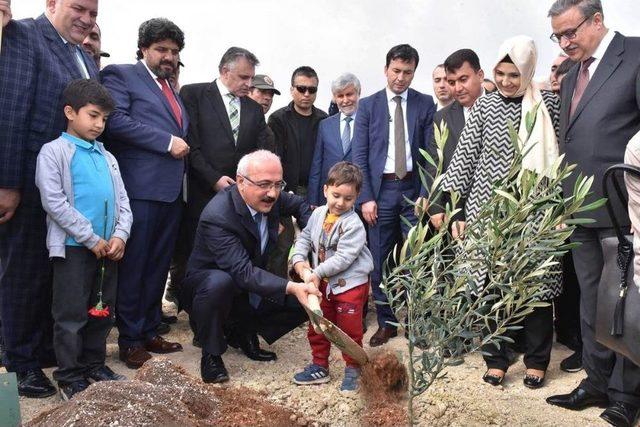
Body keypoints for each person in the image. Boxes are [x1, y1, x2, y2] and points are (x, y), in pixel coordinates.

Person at [441, 35, 562, 389]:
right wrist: (451, 207)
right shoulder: (485, 106)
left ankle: (537, 361)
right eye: (502, 74)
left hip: (533, 211)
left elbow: (559, 159)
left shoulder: (547, 105)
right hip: (488, 211)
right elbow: (464, 159)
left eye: (515, 74)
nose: (508, 81)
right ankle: (497, 359)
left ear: (527, 72)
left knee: (535, 289)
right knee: (491, 286)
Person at [545, 1, 640, 424]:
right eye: (558, 36)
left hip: (624, 206)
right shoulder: (571, 74)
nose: (565, 42)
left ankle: (626, 395)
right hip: (579, 207)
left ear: (597, 20)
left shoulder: (635, 54)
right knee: (590, 300)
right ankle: (597, 381)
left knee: (624, 303)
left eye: (570, 32)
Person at [0, 0, 99, 398]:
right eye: (79, 8)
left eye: (93, 14)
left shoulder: (85, 57)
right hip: (27, 182)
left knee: (51, 272)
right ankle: (20, 362)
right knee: (21, 274)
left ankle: (42, 351)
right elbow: (11, 110)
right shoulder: (24, 36)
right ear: (51, 4)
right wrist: (7, 182)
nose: (87, 19)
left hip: (71, 190)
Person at [181, 150, 319, 383]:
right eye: (264, 184)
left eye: (278, 184)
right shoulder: (219, 215)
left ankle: (243, 333)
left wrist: (311, 242)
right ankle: (211, 353)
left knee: (308, 301)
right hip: (210, 288)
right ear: (241, 182)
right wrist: (293, 286)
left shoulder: (272, 197)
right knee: (220, 282)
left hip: (247, 284)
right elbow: (242, 273)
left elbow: (302, 206)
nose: (273, 193)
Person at [100, 17, 188, 369]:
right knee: (135, 266)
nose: (168, 56)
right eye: (161, 49)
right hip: (138, 190)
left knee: (157, 265)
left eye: (174, 51)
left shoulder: (171, 89)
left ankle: (151, 329)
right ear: (143, 49)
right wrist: (166, 142)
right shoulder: (120, 75)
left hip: (170, 194)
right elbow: (116, 120)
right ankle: (130, 339)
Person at [35, 79, 131, 400]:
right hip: (75, 249)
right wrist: (90, 237)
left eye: (104, 119)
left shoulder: (108, 157)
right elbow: (54, 201)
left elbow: (123, 203)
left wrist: (120, 235)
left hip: (107, 252)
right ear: (69, 112)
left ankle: (94, 365)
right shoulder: (54, 152)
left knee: (101, 312)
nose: (99, 124)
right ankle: (69, 375)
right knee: (71, 315)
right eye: (92, 115)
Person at [352, 44, 435, 347]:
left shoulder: (424, 104)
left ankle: (416, 322)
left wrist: (426, 192)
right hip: (381, 191)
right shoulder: (369, 105)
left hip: (414, 189)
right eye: (396, 71)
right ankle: (387, 322)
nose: (401, 78)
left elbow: (430, 154)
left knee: (415, 258)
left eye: (407, 72)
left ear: (414, 72)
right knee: (381, 257)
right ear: (386, 69)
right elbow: (360, 155)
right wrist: (366, 198)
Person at [291, 162, 373, 391]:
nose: (340, 203)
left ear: (356, 197)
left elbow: (344, 259)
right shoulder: (318, 213)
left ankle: (354, 368)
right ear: (326, 190)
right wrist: (298, 260)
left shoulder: (354, 224)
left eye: (348, 199)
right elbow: (305, 238)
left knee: (349, 329)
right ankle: (319, 365)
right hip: (323, 284)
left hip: (350, 284)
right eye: (336, 195)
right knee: (318, 322)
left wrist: (315, 272)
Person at [424, 48, 485, 230]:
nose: (457, 88)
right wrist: (435, 206)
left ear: (480, 75)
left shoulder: (503, 107)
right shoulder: (442, 118)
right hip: (456, 211)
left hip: (497, 206)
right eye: (452, 82)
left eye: (463, 79)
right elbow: (434, 164)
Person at [268, 66, 329, 195]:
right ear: (292, 90)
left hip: (317, 189)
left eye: (312, 90)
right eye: (301, 89)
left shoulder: (324, 120)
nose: (306, 94)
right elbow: (274, 158)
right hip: (286, 189)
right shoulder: (278, 119)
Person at [308, 73, 362, 206]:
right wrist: (313, 199)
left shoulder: (369, 123)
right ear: (335, 98)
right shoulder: (325, 125)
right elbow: (317, 164)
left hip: (359, 199)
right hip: (330, 199)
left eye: (349, 94)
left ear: (358, 93)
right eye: (340, 96)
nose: (345, 100)